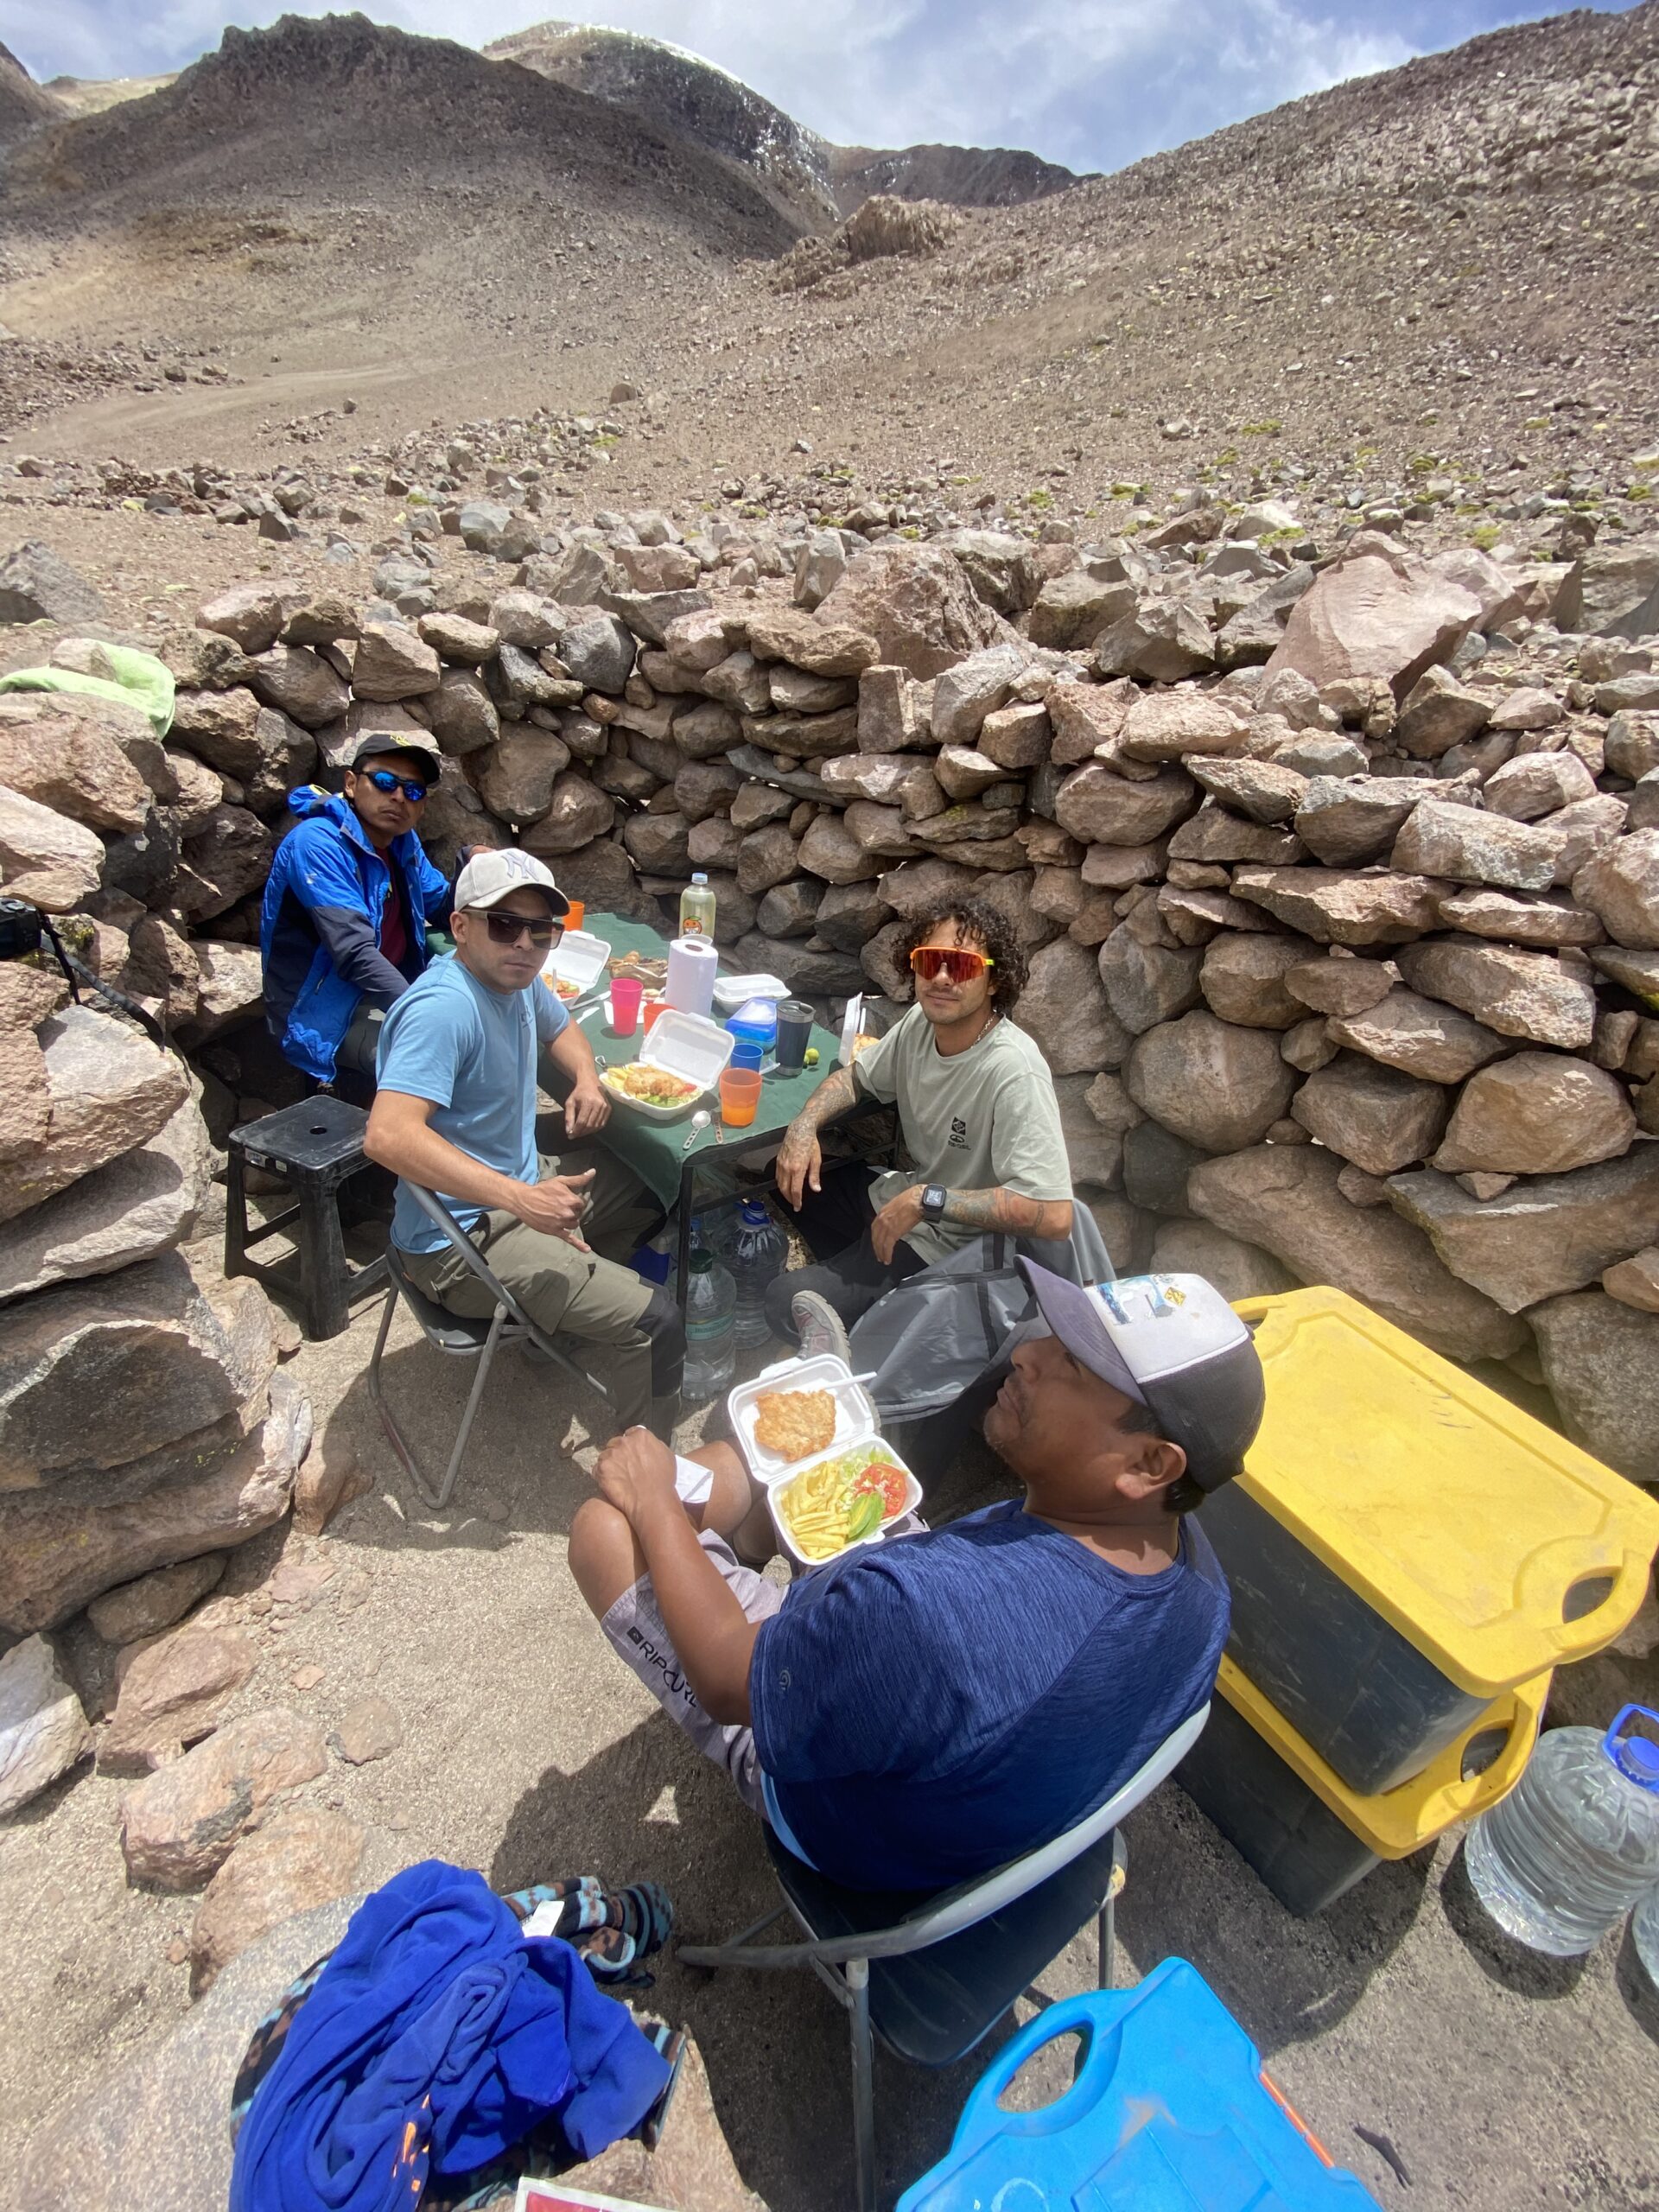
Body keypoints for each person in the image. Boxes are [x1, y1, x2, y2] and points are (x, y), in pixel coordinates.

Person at [569, 1261, 1263, 1892]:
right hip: (955, 1778)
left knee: (611, 1526)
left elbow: (727, 1682)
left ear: (1150, 1466)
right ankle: (785, 1475)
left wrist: (654, 1495)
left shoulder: (928, 1616)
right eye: (1053, 1336)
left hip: (843, 1825)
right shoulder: (1201, 1585)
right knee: (812, 1465)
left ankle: (729, 1524)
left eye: (1072, 1367)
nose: (1025, 1355)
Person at [364, 849, 683, 1436]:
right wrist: (518, 1197)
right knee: (658, 1320)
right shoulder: (445, 1009)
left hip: (520, 1189)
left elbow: (562, 1027)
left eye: (542, 931)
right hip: (456, 1241)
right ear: (460, 927)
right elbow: (386, 1135)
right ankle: (642, 1477)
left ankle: (556, 1325)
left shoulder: (517, 981)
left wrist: (586, 1079)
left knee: (659, 1183)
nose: (526, 944)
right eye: (505, 924)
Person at [766, 896, 1074, 1358]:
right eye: (930, 961)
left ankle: (876, 1306)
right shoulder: (919, 1024)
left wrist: (928, 1198)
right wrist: (803, 1127)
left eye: (963, 965)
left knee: (782, 1301)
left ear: (995, 980)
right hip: (908, 1200)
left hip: (953, 1244)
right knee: (786, 1176)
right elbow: (855, 1078)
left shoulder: (1013, 1070)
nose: (943, 978)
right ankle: (873, 1301)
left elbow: (1054, 1214)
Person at [261, 730, 464, 1089]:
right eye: (386, 782)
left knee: (481, 1021)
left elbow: (441, 904)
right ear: (352, 784)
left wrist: (471, 862)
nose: (399, 796)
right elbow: (354, 954)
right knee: (435, 1059)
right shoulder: (318, 842)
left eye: (413, 790)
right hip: (325, 1010)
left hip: (386, 988)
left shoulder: (402, 842)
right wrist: (423, 1010)